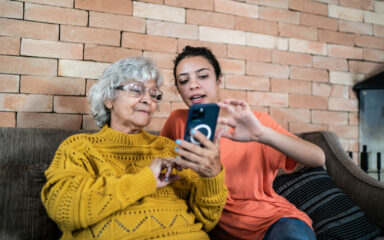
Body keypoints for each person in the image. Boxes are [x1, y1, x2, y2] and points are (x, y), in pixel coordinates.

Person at [41, 57, 227, 240]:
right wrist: (146, 179)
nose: (148, 100)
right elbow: (64, 209)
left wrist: (211, 176)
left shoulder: (168, 149)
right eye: (136, 90)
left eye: (153, 94)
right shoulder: (79, 148)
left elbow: (207, 220)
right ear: (108, 99)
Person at [160, 46, 326, 240]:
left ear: (219, 80)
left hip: (275, 223)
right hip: (214, 228)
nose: (193, 85)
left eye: (203, 76)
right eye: (184, 81)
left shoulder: (253, 121)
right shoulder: (177, 121)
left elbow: (318, 157)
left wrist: (262, 134)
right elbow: (161, 167)